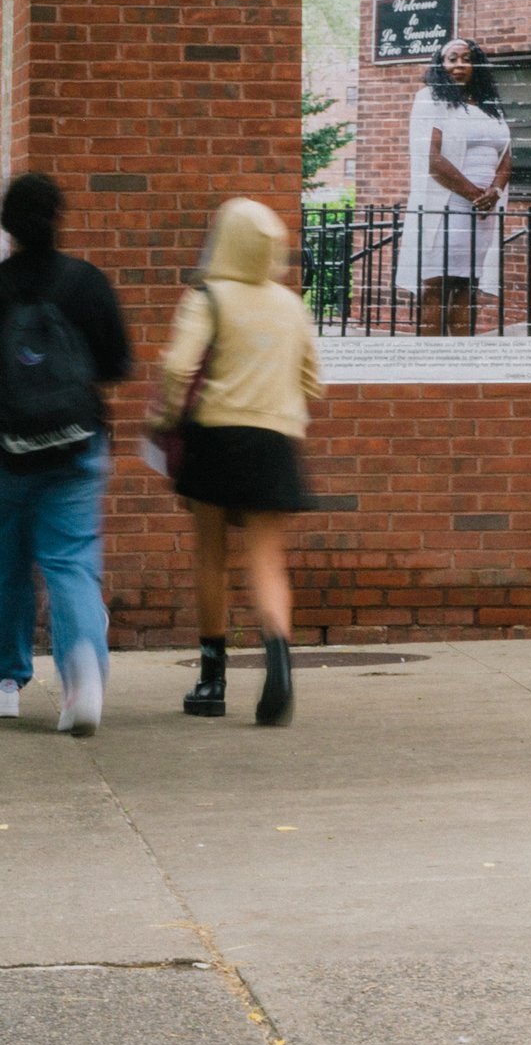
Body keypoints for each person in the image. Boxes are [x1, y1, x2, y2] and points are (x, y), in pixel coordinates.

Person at [153, 199, 324, 725]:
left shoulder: (208, 298)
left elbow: (178, 369)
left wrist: (163, 420)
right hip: (275, 441)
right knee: (266, 559)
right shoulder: (291, 305)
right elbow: (314, 381)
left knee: (211, 554)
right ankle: (279, 663)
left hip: (216, 436)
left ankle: (212, 680)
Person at [0, 173, 132, 736]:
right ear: (59, 217)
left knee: (6, 566)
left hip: (6, 452)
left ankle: (6, 683)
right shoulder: (86, 283)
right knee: (70, 561)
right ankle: (83, 682)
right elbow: (117, 364)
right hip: (77, 444)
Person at [395, 37, 512, 334]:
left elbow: (506, 156)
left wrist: (494, 193)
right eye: (452, 58)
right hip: (448, 206)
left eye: (467, 59)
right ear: (441, 64)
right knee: (437, 284)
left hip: (484, 211)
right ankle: (431, 371)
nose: (460, 64)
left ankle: (461, 367)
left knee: (466, 287)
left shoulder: (489, 106)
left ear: (477, 65)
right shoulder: (431, 99)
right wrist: (475, 195)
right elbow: (430, 157)